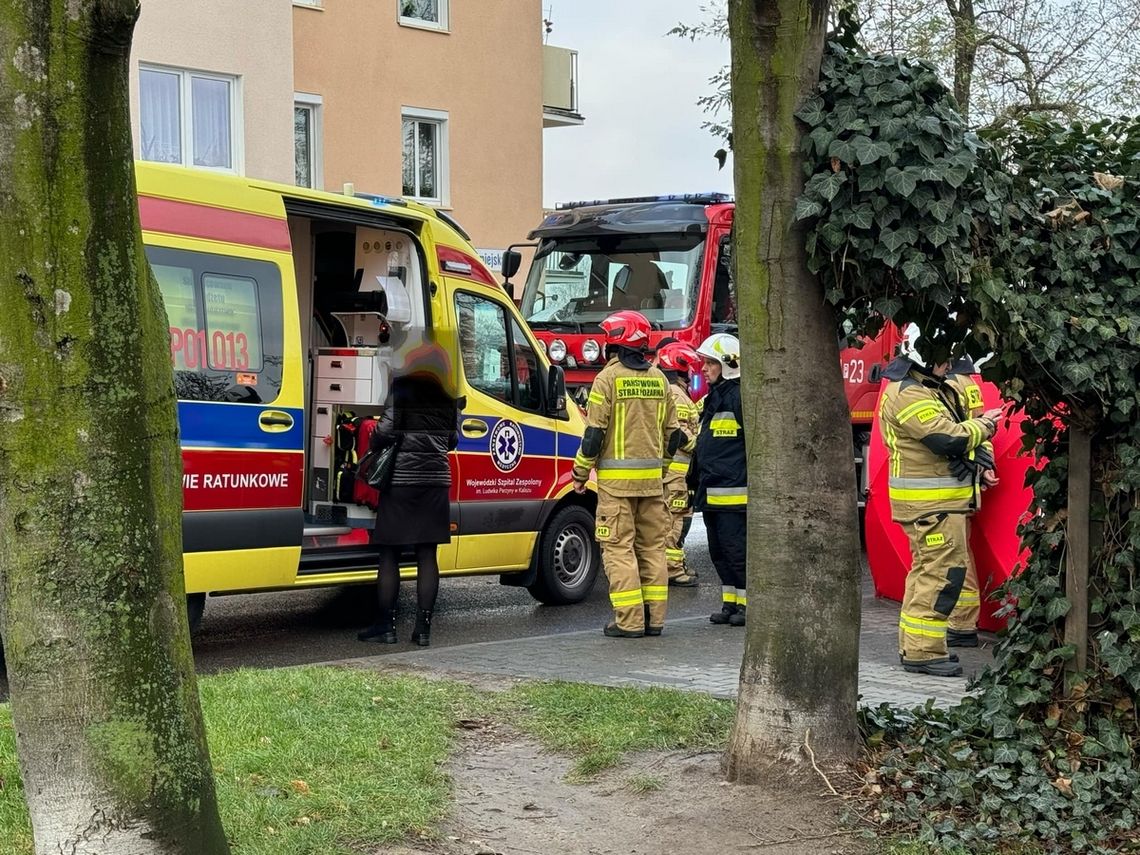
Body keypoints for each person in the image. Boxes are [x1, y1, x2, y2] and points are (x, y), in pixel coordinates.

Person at [878, 353, 1002, 676]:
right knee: (941, 575)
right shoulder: (909, 393)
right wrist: (986, 425)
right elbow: (945, 437)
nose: (948, 365)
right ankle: (924, 652)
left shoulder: (930, 388)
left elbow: (957, 431)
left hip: (937, 504)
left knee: (927, 573)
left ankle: (917, 647)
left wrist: (978, 457)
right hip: (930, 504)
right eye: (942, 359)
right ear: (922, 358)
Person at [572, 310, 685, 638]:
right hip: (652, 485)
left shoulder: (607, 380)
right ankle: (654, 620)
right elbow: (674, 434)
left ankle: (630, 621)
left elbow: (594, 433)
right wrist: (662, 469)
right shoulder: (660, 379)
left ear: (614, 345)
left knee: (619, 550)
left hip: (616, 487)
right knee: (652, 550)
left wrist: (580, 472)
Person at [358, 373, 459, 647]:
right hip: (436, 482)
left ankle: (386, 628)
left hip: (402, 481)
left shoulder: (402, 388)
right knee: (427, 554)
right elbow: (452, 440)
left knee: (389, 552)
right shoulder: (445, 390)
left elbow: (383, 432)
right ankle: (423, 630)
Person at [689, 333, 748, 626]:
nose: (704, 368)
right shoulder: (713, 398)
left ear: (729, 364)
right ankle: (730, 604)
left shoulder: (739, 397)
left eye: (710, 363)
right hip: (711, 490)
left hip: (734, 493)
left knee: (737, 552)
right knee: (719, 553)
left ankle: (747, 606)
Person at [943, 357, 999, 648]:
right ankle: (963, 621)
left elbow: (952, 436)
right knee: (959, 552)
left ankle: (962, 623)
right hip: (966, 482)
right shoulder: (969, 384)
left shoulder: (948, 385)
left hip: (952, 483)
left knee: (954, 556)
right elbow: (982, 430)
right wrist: (986, 465)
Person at [656, 341, 703, 587]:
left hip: (677, 472)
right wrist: (701, 446)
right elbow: (680, 435)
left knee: (678, 517)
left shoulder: (674, 392)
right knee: (674, 519)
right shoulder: (675, 394)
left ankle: (676, 564)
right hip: (675, 472)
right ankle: (672, 569)